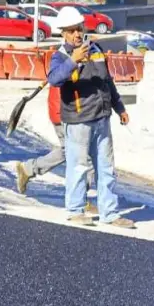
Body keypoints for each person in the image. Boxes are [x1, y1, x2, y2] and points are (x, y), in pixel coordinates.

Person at [47, 5, 134, 229]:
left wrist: (120, 107)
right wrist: (73, 60)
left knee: (106, 168)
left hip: (101, 118)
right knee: (78, 167)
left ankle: (110, 212)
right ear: (63, 33)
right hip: (77, 120)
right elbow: (54, 79)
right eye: (71, 31)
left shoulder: (96, 50)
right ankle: (76, 210)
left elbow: (108, 82)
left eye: (79, 29)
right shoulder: (60, 56)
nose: (77, 34)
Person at [14, 71, 97, 213]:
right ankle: (79, 199)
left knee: (70, 150)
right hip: (66, 112)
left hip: (66, 110)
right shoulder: (69, 56)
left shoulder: (69, 55)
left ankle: (28, 169)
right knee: (84, 156)